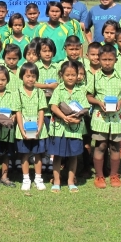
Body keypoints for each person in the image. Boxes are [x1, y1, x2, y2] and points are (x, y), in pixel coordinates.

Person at [86, 46, 121, 189]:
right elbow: (88, 96)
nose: (107, 63)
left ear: (115, 60)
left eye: (110, 60)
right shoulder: (95, 77)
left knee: (115, 147)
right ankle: (99, 176)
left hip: (116, 119)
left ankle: (114, 175)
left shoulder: (120, 77)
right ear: (99, 60)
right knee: (101, 146)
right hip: (100, 119)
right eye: (104, 59)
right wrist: (98, 102)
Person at [48, 60, 87, 193]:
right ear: (61, 75)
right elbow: (53, 106)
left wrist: (77, 119)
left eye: (73, 75)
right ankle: (56, 181)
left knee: (73, 156)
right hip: (59, 129)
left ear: (78, 75)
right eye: (67, 75)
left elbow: (85, 108)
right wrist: (64, 117)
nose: (70, 78)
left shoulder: (80, 91)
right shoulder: (58, 89)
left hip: (75, 130)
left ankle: (71, 181)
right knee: (57, 156)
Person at [15, 62, 48, 191]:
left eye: (33, 76)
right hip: (23, 129)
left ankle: (38, 178)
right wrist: (22, 130)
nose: (30, 79)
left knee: (38, 154)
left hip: (38, 129)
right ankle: (26, 179)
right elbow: (18, 112)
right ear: (22, 77)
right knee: (24, 154)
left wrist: (39, 128)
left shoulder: (40, 93)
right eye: (27, 76)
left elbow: (41, 111)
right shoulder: (17, 93)